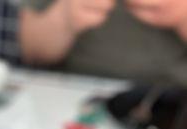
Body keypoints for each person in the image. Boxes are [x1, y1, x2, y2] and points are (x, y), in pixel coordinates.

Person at [19, 0, 187, 84]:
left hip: (176, 97)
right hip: (78, 92)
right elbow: (33, 49)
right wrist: (64, 17)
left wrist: (182, 16)